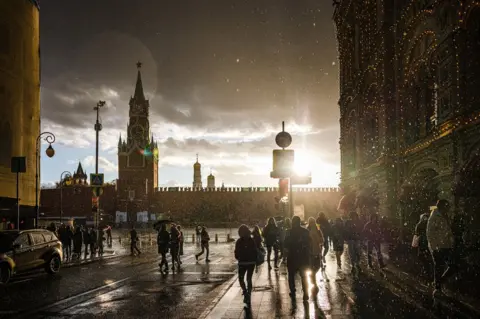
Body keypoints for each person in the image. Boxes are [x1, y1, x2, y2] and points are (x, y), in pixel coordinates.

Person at [426, 199, 455, 296]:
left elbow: (447, 231)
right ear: (442, 207)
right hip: (438, 247)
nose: (449, 208)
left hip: (446, 245)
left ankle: (439, 282)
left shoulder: (444, 215)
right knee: (439, 267)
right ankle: (437, 288)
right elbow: (429, 234)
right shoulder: (434, 217)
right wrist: (435, 248)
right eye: (447, 206)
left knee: (453, 266)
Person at [284, 216, 311, 302]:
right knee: (304, 276)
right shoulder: (305, 231)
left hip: (292, 257)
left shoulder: (289, 232)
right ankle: (306, 293)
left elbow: (285, 244)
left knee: (291, 276)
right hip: (303, 258)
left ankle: (293, 291)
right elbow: (309, 243)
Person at [234, 225, 257, 307]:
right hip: (251, 263)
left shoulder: (239, 241)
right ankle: (249, 294)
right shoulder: (251, 240)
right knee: (249, 279)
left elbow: (236, 253)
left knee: (241, 279)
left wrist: (239, 257)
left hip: (242, 263)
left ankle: (245, 292)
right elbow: (255, 251)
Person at [307, 217, 324, 296]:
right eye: (311, 222)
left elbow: (321, 240)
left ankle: (312, 277)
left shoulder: (316, 230)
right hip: (312, 252)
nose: (312, 224)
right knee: (314, 267)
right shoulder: (309, 231)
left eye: (313, 222)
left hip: (314, 252)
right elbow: (321, 240)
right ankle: (313, 281)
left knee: (316, 267)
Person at [415, 212, 431, 276]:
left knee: (422, 256)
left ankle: (426, 270)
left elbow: (416, 233)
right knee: (423, 256)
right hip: (425, 242)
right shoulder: (427, 224)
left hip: (423, 242)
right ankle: (426, 270)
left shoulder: (420, 224)